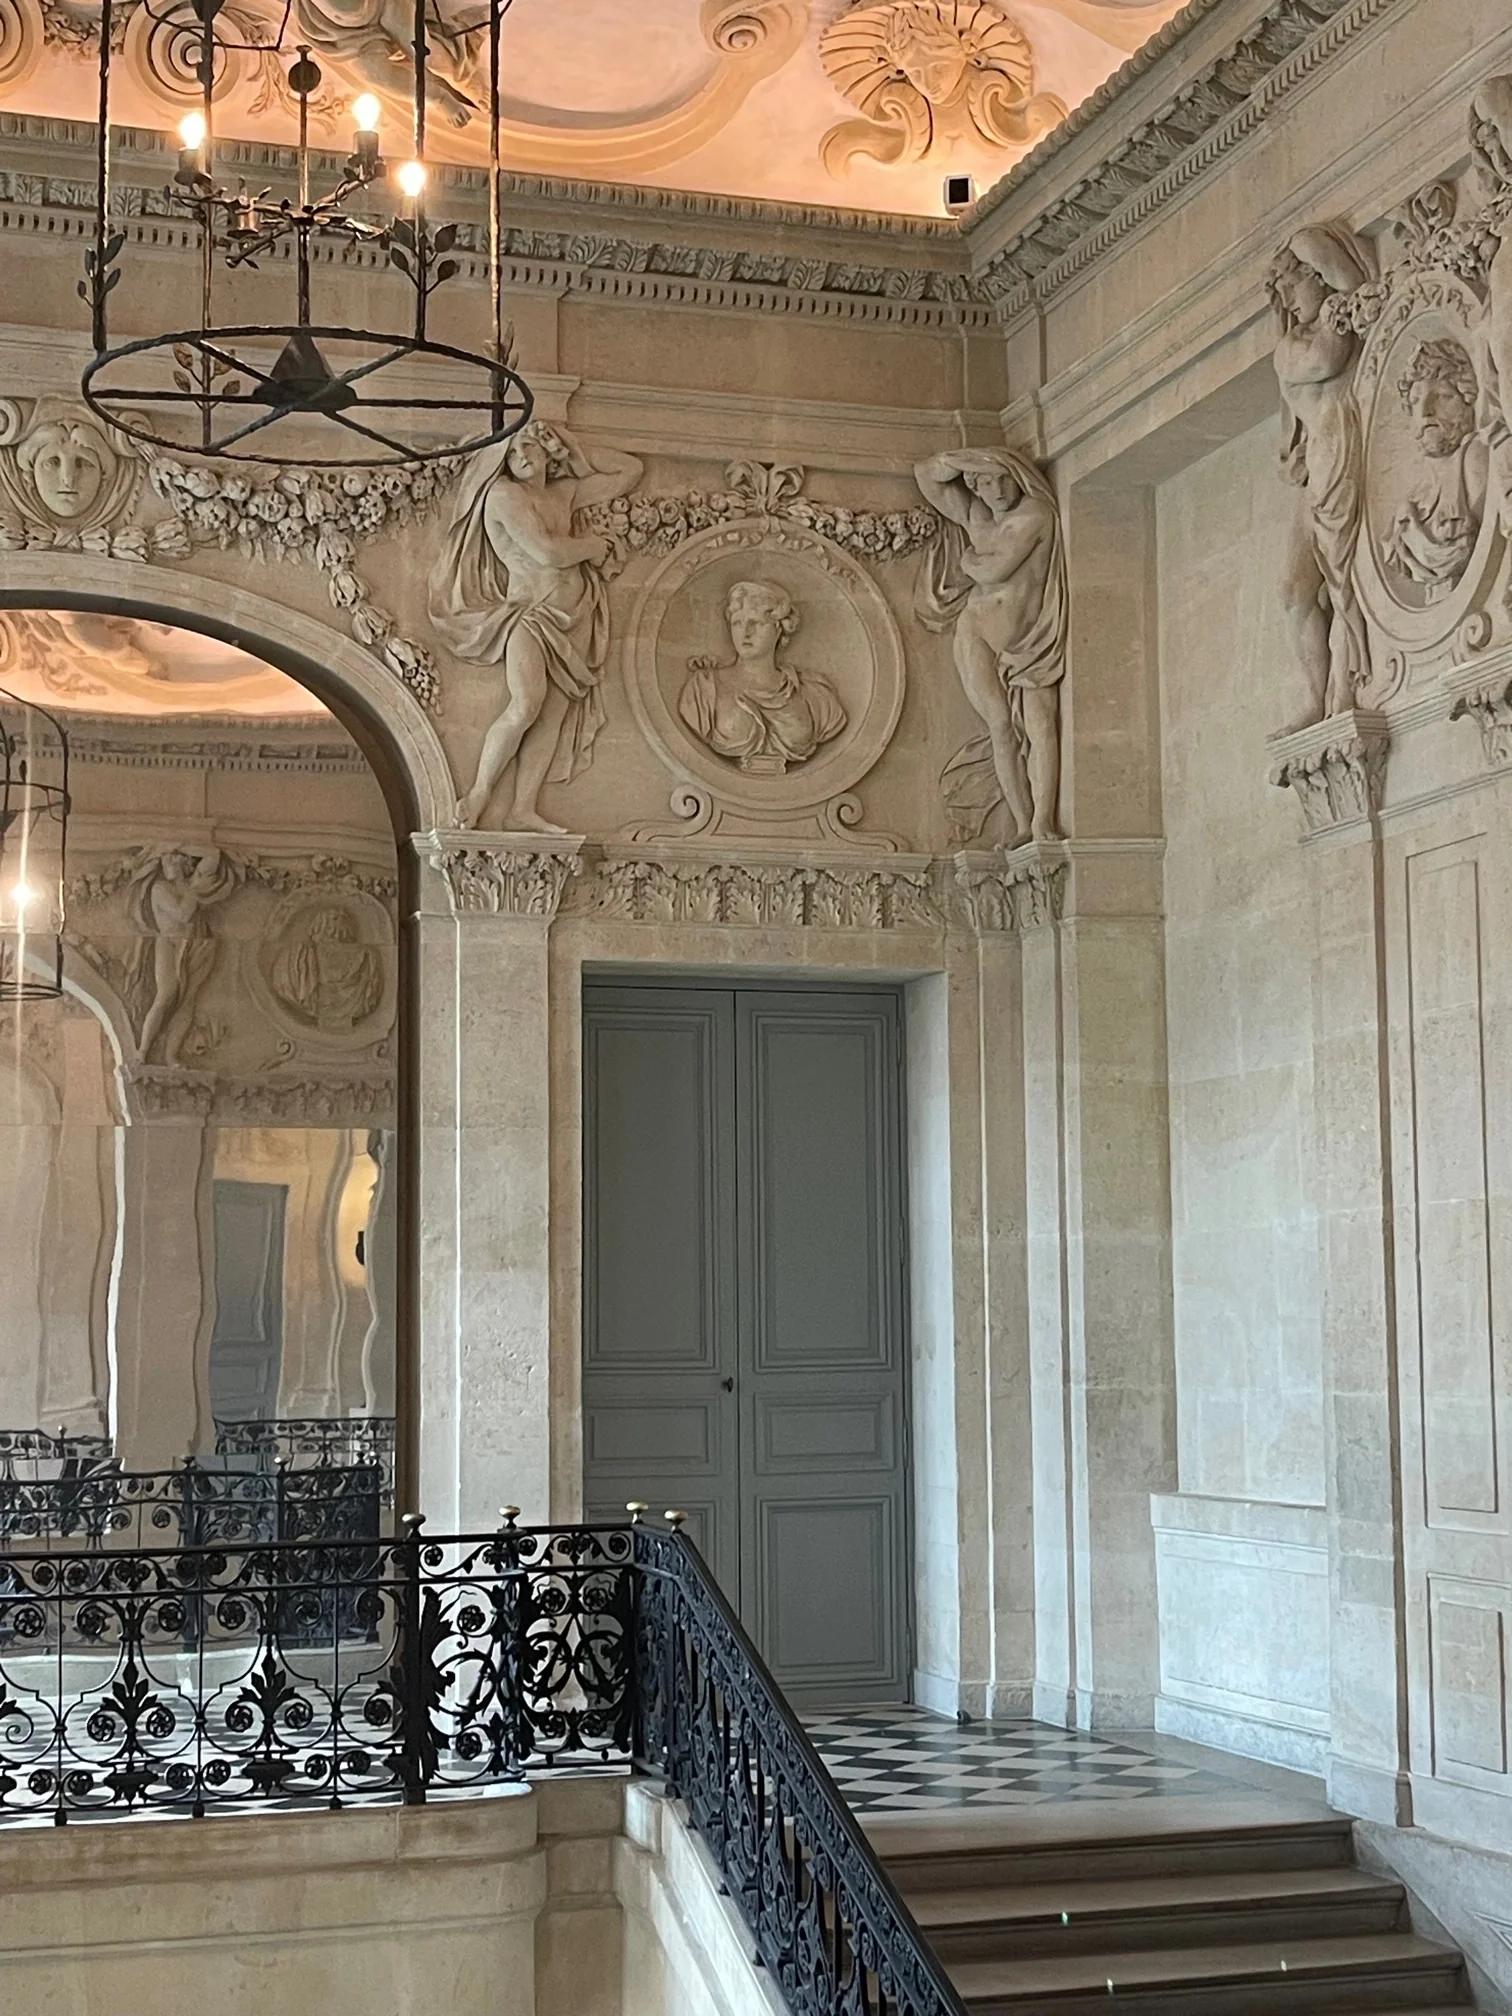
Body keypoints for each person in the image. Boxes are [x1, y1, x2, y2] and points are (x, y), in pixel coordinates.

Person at [430, 422, 642, 833]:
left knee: (552, 717)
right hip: (529, 614)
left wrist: (573, 449)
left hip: (576, 614)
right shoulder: (505, 494)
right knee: (527, 703)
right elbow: (546, 552)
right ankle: (479, 794)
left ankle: (522, 809)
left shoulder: (562, 493)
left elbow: (628, 472)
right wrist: (594, 548)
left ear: (548, 450)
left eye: (528, 446)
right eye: (511, 453)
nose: (521, 456)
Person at [913, 446, 1067, 847]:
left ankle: (1042, 823)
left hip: (1030, 641)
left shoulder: (1033, 515)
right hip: (976, 629)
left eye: (1003, 479)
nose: (996, 490)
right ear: (973, 485)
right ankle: (1021, 825)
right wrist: (966, 462)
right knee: (1000, 726)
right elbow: (926, 474)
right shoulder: (978, 516)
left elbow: (996, 568)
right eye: (985, 482)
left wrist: (968, 562)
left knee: (1040, 726)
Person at [1267, 223, 1376, 725]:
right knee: (1295, 589)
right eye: (1283, 287)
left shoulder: (1344, 313)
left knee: (1345, 583)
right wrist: (1338, 309)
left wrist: (1338, 291)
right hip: (1322, 473)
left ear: (1319, 277)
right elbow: (1323, 359)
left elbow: (1359, 292)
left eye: (1295, 281)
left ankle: (1342, 691)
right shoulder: (1294, 346)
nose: (1287, 295)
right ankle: (1318, 697)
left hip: (1349, 459)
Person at [678, 579, 847, 774]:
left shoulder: (814, 693)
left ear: (779, 628)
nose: (745, 633)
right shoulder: (704, 690)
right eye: (737, 623)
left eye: (756, 623)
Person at [1385, 338, 1488, 600]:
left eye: (1442, 396)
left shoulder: (1477, 462)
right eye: (1416, 399)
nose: (1425, 411)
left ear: (1468, 401)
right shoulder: (1410, 505)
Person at [129, 846, 240, 1065]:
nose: (166, 866)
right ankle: (143, 1050)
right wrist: (193, 889)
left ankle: (171, 1055)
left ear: (183, 863)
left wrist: (187, 844)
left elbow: (214, 853)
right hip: (169, 943)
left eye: (171, 861)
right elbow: (183, 915)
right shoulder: (160, 888)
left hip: (197, 945)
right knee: (165, 995)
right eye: (164, 862)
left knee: (189, 1002)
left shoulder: (193, 884)